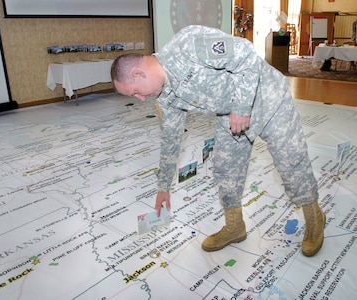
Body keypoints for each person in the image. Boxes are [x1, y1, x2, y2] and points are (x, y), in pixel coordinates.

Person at [111, 25, 325, 257]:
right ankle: (235, 227)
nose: (140, 98)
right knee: (226, 171)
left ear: (138, 74)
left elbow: (245, 54)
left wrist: (242, 108)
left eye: (135, 92)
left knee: (291, 163)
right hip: (230, 115)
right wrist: (163, 187)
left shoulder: (188, 44)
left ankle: (315, 219)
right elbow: (171, 140)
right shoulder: (165, 97)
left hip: (268, 98)